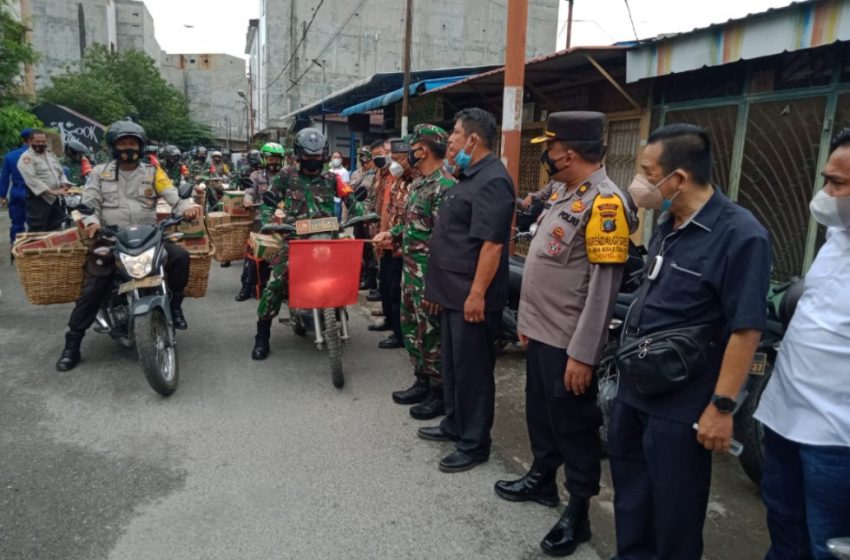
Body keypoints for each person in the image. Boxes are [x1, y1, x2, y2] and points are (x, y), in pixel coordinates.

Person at [608, 123, 771, 560]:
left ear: (677, 178)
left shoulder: (741, 235)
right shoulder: (666, 222)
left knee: (675, 516)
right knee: (632, 501)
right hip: (634, 392)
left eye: (646, 171)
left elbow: (746, 329)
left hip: (682, 408)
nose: (638, 181)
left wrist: (722, 408)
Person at [493, 111, 635, 557]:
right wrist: (529, 327)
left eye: (550, 149)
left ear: (568, 153)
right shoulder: (566, 192)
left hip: (570, 342)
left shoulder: (606, 203)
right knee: (542, 414)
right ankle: (541, 479)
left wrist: (584, 354)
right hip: (542, 332)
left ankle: (579, 511)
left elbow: (602, 288)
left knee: (574, 427)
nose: (547, 156)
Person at [754, 128, 850, 560]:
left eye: (839, 184)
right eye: (826, 179)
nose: (826, 193)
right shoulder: (836, 239)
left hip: (837, 436)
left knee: (827, 541)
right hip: (786, 415)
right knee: (783, 522)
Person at [55, 120, 202, 372]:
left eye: (132, 143)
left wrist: (187, 207)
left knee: (179, 258)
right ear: (113, 146)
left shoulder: (153, 173)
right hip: (110, 238)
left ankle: (175, 307)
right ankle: (73, 343)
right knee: (95, 284)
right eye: (122, 143)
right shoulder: (98, 173)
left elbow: (172, 197)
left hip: (148, 236)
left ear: (141, 146)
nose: (128, 148)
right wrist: (91, 222)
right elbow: (89, 204)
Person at [417, 108, 515, 473]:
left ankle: (475, 443)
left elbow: (491, 246)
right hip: (451, 291)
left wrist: (476, 295)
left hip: (472, 295)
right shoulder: (468, 175)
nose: (451, 140)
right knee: (455, 366)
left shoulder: (493, 180)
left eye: (456, 134)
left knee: (474, 372)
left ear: (473, 139)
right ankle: (455, 424)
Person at [251, 128, 365, 360]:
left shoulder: (333, 178)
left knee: (351, 271)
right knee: (274, 285)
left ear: (323, 157)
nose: (313, 163)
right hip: (295, 240)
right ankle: (262, 336)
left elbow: (351, 199)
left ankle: (337, 311)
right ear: (299, 156)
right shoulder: (285, 176)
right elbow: (269, 202)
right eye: (308, 158)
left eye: (317, 158)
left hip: (328, 240)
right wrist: (267, 220)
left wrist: (362, 212)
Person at [375, 125, 456, 420]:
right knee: (412, 329)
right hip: (410, 272)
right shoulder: (419, 185)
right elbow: (414, 226)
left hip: (428, 276)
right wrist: (392, 235)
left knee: (431, 333)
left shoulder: (444, 187)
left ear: (425, 148)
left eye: (414, 145)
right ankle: (421, 380)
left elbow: (445, 241)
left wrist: (436, 285)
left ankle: (438, 392)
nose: (409, 151)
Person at [373, 138, 412, 350]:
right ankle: (391, 323)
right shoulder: (394, 179)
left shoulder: (416, 181)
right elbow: (387, 209)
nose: (394, 162)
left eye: (399, 158)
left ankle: (399, 334)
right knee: (387, 287)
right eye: (392, 157)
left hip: (403, 247)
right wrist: (382, 233)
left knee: (397, 292)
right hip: (389, 242)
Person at [236, 142, 282, 302]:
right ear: (264, 159)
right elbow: (249, 192)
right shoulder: (256, 176)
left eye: (277, 159)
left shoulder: (286, 176)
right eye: (271, 159)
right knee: (252, 254)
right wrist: (247, 201)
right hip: (260, 221)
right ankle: (246, 287)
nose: (274, 162)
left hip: (282, 221)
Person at [17, 130, 70, 232]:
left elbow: (61, 172)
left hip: (55, 199)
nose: (41, 144)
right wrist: (53, 192)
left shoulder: (50, 155)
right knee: (38, 230)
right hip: (39, 200)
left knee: (56, 228)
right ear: (30, 141)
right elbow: (33, 180)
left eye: (43, 141)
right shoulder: (26, 158)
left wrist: (64, 182)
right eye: (37, 141)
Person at [350, 146, 379, 292]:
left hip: (370, 217)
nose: (365, 163)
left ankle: (373, 282)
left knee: (371, 250)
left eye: (367, 161)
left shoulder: (376, 175)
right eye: (363, 160)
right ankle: (364, 277)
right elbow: (351, 191)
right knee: (360, 248)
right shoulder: (358, 174)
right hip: (358, 216)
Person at [0, 128, 33, 246]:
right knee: (34, 224)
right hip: (34, 193)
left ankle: (15, 248)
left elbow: (4, 178)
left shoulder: (10, 156)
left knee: (17, 223)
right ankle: (32, 250)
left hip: (17, 192)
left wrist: (2, 196)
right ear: (31, 140)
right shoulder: (37, 155)